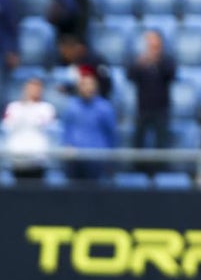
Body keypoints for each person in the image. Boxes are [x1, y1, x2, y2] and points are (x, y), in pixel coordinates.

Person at [125, 30, 177, 175]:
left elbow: (171, 74)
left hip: (161, 108)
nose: (152, 43)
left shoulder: (167, 60)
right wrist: (140, 64)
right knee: (139, 140)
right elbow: (130, 76)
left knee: (161, 141)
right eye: (149, 40)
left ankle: (161, 171)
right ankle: (138, 170)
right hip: (142, 108)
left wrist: (157, 61)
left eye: (154, 40)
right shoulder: (140, 60)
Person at [61, 70, 117, 182]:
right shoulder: (72, 107)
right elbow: (66, 130)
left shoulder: (104, 108)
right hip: (75, 158)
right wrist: (67, 145)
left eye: (90, 84)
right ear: (79, 87)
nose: (87, 88)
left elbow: (111, 134)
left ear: (95, 87)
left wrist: (110, 158)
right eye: (84, 84)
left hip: (97, 158)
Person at [0, 76, 57, 182]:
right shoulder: (13, 107)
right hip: (17, 157)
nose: (34, 90)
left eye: (37, 88)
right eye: (31, 87)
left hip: (38, 158)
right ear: (24, 89)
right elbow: (6, 127)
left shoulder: (47, 108)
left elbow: (50, 128)